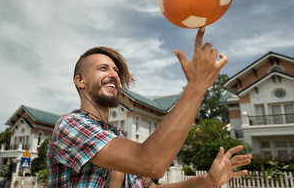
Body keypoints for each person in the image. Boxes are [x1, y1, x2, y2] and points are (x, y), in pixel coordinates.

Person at [47, 27, 252, 187]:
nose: (114, 75)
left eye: (116, 70)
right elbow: (151, 163)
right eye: (103, 68)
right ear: (80, 81)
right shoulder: (70, 125)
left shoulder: (119, 137)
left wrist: (207, 181)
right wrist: (197, 86)